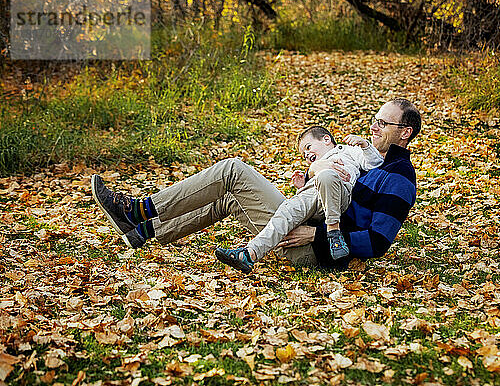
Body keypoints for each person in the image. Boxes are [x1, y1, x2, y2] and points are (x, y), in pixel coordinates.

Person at [90, 98, 421, 269]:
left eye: (383, 123)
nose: (374, 127)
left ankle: (141, 210)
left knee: (232, 170)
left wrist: (316, 235)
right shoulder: (365, 157)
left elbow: (378, 241)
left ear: (404, 132)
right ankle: (144, 232)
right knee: (230, 199)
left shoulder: (399, 178)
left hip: (314, 250)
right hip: (307, 226)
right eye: (374, 120)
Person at [215, 126, 383, 273]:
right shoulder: (313, 169)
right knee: (286, 212)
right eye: (304, 154)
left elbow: (374, 163)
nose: (307, 154)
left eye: (309, 147)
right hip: (313, 194)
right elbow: (310, 204)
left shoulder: (345, 151)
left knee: (327, 175)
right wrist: (302, 187)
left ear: (326, 140)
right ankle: (249, 253)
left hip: (338, 193)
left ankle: (334, 231)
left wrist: (365, 145)